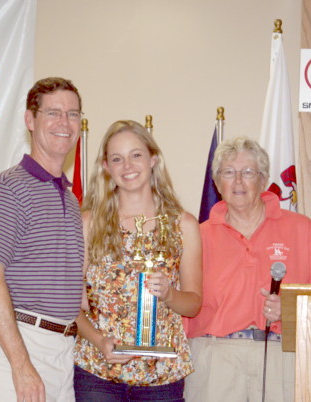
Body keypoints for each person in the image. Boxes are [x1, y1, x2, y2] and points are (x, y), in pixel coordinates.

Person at [184, 137, 311, 402]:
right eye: (228, 173)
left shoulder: (301, 229)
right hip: (214, 359)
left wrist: (289, 311)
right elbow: (182, 308)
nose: (238, 181)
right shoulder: (196, 236)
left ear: (264, 179)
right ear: (217, 182)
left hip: (281, 357)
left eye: (248, 172)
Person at [73, 120, 202, 401]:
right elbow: (68, 302)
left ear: (153, 159)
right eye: (117, 159)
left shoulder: (183, 225)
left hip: (162, 376)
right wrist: (99, 341)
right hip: (97, 372)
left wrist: (169, 294)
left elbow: (193, 304)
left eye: (136, 155)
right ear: (106, 167)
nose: (127, 166)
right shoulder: (88, 224)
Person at [0, 77, 85, 402]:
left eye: (73, 114)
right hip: (19, 347)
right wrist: (21, 364)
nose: (64, 122)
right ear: (30, 120)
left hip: (62, 350)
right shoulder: (7, 189)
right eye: (53, 113)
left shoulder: (70, 199)